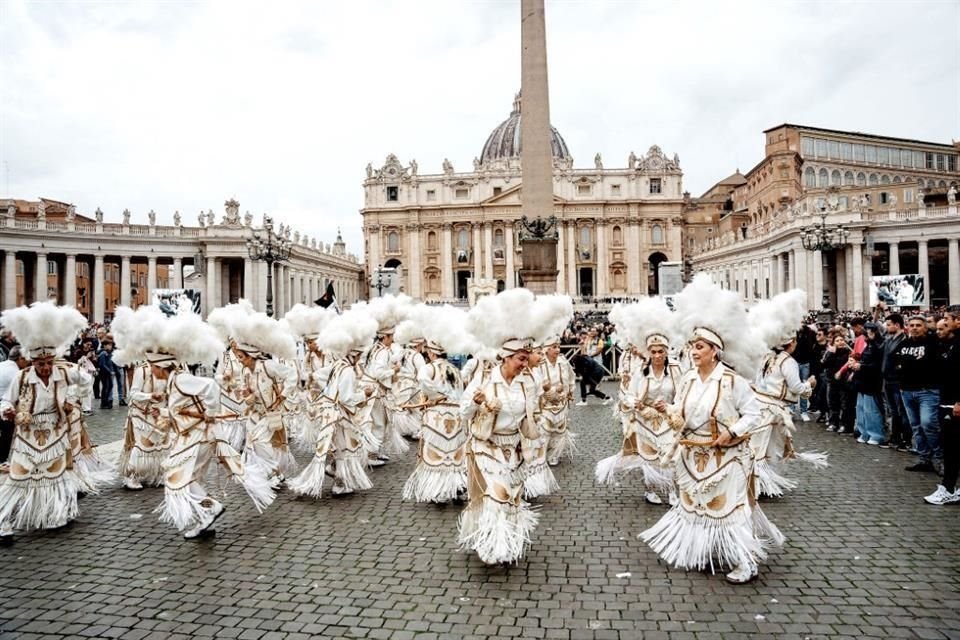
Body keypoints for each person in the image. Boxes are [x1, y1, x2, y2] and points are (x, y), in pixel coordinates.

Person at [640, 275, 777, 585]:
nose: (693, 351)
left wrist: (733, 432)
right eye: (691, 346)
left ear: (715, 351)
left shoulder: (732, 381)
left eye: (699, 346)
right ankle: (703, 551)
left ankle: (746, 560)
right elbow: (682, 415)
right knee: (698, 509)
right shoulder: (688, 379)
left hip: (727, 458)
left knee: (730, 511)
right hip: (693, 457)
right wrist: (669, 412)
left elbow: (755, 411)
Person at [0, 302, 90, 545]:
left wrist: (74, 394)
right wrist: (7, 411)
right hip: (28, 432)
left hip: (56, 430)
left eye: (49, 363)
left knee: (55, 476)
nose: (45, 368)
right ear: (32, 362)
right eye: (40, 364)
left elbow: (86, 382)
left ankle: (56, 512)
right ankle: (3, 522)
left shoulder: (63, 373)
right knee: (19, 476)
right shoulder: (21, 377)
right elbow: (7, 400)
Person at [459, 338, 540, 564]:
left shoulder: (527, 383)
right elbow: (463, 412)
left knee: (512, 498)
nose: (525, 364)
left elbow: (531, 415)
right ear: (506, 357)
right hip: (486, 445)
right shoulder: (485, 378)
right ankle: (491, 544)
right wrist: (476, 403)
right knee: (497, 495)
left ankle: (505, 540)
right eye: (520, 359)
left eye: (526, 359)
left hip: (514, 449)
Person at [402, 340, 466, 503]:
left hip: (436, 417)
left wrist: (436, 396)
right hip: (456, 416)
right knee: (453, 452)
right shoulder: (455, 370)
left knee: (437, 452)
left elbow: (422, 381)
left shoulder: (429, 368)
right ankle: (456, 486)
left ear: (431, 353)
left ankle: (440, 491)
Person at [896, 315, 944, 474]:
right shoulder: (904, 344)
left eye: (918, 325)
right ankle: (924, 459)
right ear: (907, 327)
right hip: (907, 391)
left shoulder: (934, 343)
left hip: (927, 391)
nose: (915, 328)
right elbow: (897, 363)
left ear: (925, 327)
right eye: (912, 325)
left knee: (928, 424)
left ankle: (939, 458)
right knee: (916, 427)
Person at [924, 312, 960, 504]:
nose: (944, 323)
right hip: (947, 399)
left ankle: (948, 488)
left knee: (952, 447)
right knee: (952, 447)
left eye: (947, 320)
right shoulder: (948, 343)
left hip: (954, 403)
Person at [535, 336, 576, 466]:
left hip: (561, 402)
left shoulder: (563, 362)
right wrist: (547, 394)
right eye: (554, 347)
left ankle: (554, 455)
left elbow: (571, 376)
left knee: (559, 430)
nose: (557, 350)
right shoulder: (540, 363)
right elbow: (535, 381)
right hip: (545, 403)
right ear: (546, 349)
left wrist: (569, 391)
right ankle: (542, 454)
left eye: (558, 347)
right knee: (544, 429)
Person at [849, 322, 886, 446]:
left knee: (871, 409)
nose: (867, 335)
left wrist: (861, 366)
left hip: (871, 381)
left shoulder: (878, 345)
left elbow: (877, 364)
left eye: (870, 331)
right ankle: (864, 432)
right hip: (863, 380)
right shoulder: (869, 345)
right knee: (861, 409)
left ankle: (875, 434)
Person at [881, 314, 911, 451]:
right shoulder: (889, 339)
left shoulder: (904, 340)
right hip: (888, 379)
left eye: (888, 325)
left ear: (897, 325)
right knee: (893, 411)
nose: (886, 328)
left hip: (898, 380)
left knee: (902, 411)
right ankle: (895, 437)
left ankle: (906, 439)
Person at [0, 347, 29, 462]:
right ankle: (2, 461)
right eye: (27, 359)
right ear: (20, 358)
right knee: (6, 435)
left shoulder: (2, 364)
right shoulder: (16, 373)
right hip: (3, 405)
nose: (29, 362)